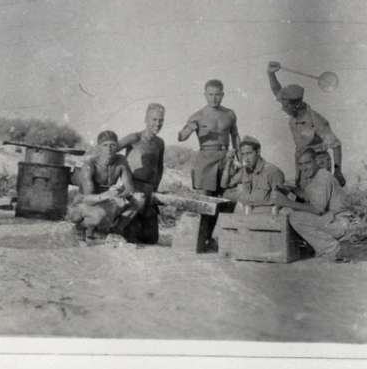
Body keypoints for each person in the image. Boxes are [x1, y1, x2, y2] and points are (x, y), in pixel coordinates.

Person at [178, 79, 240, 252]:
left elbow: (235, 135)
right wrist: (190, 128)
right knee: (206, 202)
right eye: (210, 94)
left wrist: (240, 159)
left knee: (227, 201)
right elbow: (181, 137)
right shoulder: (197, 115)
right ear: (205, 95)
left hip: (225, 159)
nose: (214, 98)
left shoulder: (229, 114)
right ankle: (201, 240)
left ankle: (219, 239)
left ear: (223, 94)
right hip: (205, 160)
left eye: (217, 94)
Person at [267, 61, 346, 187]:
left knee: (318, 196)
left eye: (285, 106)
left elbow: (336, 145)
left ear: (297, 105)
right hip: (303, 164)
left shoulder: (316, 120)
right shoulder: (293, 112)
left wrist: (337, 171)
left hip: (319, 165)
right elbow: (277, 92)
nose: (283, 108)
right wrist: (271, 74)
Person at [270, 148, 352, 260]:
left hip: (340, 223)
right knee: (292, 211)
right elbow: (307, 200)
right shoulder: (315, 177)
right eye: (300, 164)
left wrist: (287, 202)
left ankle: (332, 249)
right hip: (333, 220)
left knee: (296, 217)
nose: (304, 168)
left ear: (316, 161)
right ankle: (319, 247)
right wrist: (289, 191)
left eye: (307, 163)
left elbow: (317, 209)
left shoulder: (323, 177)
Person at [67, 130, 145, 242]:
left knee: (139, 199)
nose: (109, 149)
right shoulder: (90, 165)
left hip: (104, 201)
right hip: (82, 205)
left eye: (112, 145)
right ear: (99, 147)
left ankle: (116, 231)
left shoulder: (121, 161)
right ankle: (80, 227)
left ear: (117, 146)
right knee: (100, 215)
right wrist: (106, 196)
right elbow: (87, 198)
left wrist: (120, 196)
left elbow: (130, 188)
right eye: (105, 145)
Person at [117, 103, 166, 244]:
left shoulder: (160, 143)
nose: (158, 124)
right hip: (133, 189)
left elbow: (159, 167)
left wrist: (155, 188)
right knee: (131, 237)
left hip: (149, 190)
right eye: (154, 119)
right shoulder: (134, 138)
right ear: (146, 119)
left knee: (151, 239)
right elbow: (111, 150)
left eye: (161, 120)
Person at [221, 135, 285, 207]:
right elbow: (224, 185)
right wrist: (228, 162)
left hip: (264, 212)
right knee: (226, 194)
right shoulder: (245, 170)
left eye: (249, 153)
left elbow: (280, 201)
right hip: (247, 210)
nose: (245, 158)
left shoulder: (273, 172)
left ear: (258, 152)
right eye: (243, 154)